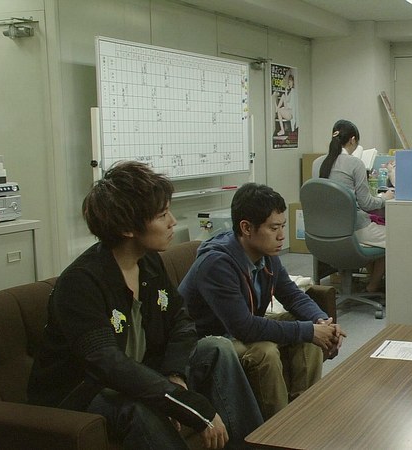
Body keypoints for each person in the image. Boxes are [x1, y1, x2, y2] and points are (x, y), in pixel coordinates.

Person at [27, 161, 262, 450]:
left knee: (217, 348)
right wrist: (189, 406)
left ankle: (253, 444)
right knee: (138, 407)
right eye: (162, 215)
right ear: (127, 228)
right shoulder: (81, 283)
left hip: (139, 372)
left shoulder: (149, 262)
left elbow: (181, 320)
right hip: (85, 392)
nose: (172, 221)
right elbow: (109, 366)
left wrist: (175, 374)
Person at [179, 183, 346, 420]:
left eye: (283, 226)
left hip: (237, 331)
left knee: (310, 332)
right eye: (273, 228)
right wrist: (309, 330)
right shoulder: (216, 264)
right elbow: (243, 327)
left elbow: (292, 295)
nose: (281, 236)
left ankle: (303, 413)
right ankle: (277, 428)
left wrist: (320, 321)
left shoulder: (266, 255)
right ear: (246, 228)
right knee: (265, 352)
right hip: (208, 342)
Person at [312, 119, 392, 293]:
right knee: (396, 238)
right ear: (353, 139)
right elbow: (366, 204)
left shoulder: (317, 163)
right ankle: (373, 285)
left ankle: (369, 280)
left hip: (323, 233)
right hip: (352, 231)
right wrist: (384, 198)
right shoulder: (355, 163)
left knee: (374, 235)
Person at [275, 72, 297, 137]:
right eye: (288, 82)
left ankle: (282, 130)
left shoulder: (293, 91)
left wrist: (286, 91)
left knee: (279, 110)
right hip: (289, 112)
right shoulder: (292, 91)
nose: (289, 83)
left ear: (293, 82)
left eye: (290, 82)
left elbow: (288, 104)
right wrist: (286, 91)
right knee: (283, 96)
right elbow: (287, 101)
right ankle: (277, 109)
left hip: (290, 114)